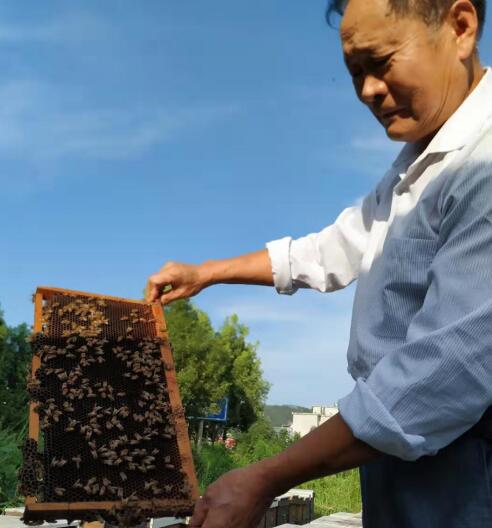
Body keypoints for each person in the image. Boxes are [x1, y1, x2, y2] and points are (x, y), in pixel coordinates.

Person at [146, 0, 492, 526]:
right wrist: (207, 273)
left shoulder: (484, 162)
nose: (369, 90)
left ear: (460, 28)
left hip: (464, 461)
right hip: (392, 449)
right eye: (356, 72)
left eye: (381, 61)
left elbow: (443, 372)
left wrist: (265, 476)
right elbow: (333, 247)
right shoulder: (417, 165)